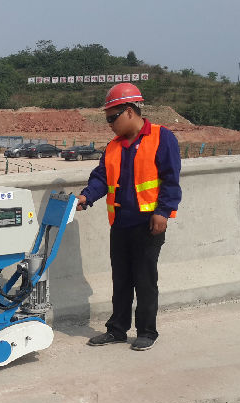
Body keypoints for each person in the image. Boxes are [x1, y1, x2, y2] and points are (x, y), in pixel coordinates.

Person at [75, 83, 182, 351]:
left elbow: (171, 179)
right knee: (121, 280)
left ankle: (147, 331)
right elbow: (101, 178)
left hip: (148, 224)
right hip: (120, 224)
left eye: (113, 118)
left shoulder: (161, 137)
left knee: (145, 280)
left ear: (130, 111)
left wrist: (162, 212)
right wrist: (86, 197)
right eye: (107, 119)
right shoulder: (113, 147)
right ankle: (117, 330)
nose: (110, 124)